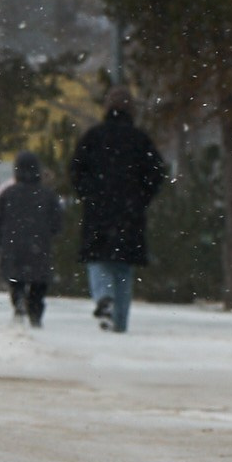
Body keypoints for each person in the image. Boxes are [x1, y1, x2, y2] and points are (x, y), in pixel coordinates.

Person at [69, 86, 167, 333]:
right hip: (129, 213)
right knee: (123, 267)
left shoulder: (93, 137)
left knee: (97, 260)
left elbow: (75, 170)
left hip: (98, 210)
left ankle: (104, 298)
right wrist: (140, 197)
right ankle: (120, 322)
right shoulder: (140, 139)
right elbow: (156, 174)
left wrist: (89, 193)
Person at [0, 151, 67, 325]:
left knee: (16, 278)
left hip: (13, 245)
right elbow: (57, 222)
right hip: (39, 245)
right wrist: (51, 235)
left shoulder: (8, 194)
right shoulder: (47, 195)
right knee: (39, 281)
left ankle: (18, 302)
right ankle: (35, 310)